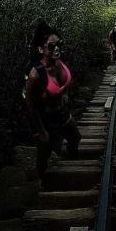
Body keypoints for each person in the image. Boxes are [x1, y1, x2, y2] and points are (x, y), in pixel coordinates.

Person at [26, 22, 81, 181]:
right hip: (45, 118)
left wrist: (65, 98)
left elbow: (65, 86)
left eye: (59, 44)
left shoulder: (60, 63)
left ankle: (69, 170)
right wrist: (41, 131)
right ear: (41, 49)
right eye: (51, 46)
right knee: (44, 153)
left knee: (75, 137)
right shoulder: (35, 75)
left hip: (62, 113)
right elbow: (30, 104)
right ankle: (42, 184)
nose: (57, 49)